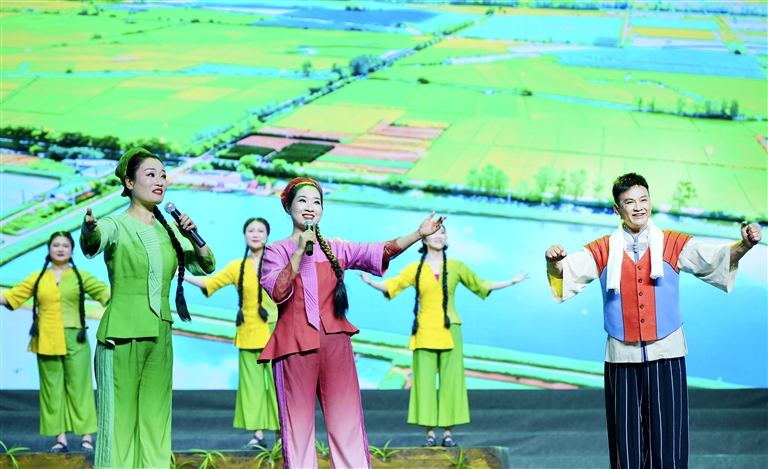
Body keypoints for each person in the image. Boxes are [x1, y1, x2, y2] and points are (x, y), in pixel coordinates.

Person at [544, 172, 762, 469]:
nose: (639, 207)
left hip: (667, 352)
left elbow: (714, 258)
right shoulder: (603, 249)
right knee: (626, 441)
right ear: (617, 209)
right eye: (630, 202)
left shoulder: (673, 243)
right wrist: (554, 262)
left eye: (643, 199)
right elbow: (567, 272)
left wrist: (744, 245)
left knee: (669, 438)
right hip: (622, 355)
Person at [258, 177, 446, 469]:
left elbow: (380, 251)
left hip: (336, 346)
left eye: (317, 202)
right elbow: (278, 292)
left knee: (347, 424)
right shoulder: (276, 251)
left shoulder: (338, 248)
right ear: (288, 207)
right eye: (302, 200)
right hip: (295, 347)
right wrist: (299, 251)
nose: (310, 207)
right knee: (298, 430)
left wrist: (417, 234)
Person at [80, 147, 215, 469]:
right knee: (119, 420)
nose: (160, 181)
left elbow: (206, 265)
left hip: (160, 334)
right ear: (129, 182)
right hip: (121, 333)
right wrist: (88, 230)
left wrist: (191, 235)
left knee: (156, 420)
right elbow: (93, 242)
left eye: (163, 175)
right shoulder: (116, 223)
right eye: (150, 175)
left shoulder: (169, 230)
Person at [360, 225, 528, 447]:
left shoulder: (456, 267)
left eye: (442, 232)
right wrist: (371, 282)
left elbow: (480, 284)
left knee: (452, 382)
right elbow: (392, 285)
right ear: (424, 240)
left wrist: (511, 282)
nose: (439, 236)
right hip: (424, 330)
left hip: (450, 329)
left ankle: (448, 433)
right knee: (424, 382)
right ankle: (430, 434)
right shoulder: (414, 269)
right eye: (434, 233)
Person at [1, 231, 110, 453]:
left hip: (76, 339)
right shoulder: (38, 277)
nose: (60, 249)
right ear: (49, 249)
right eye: (56, 245)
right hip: (46, 339)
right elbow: (10, 297)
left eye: (65, 245)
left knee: (81, 389)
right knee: (52, 391)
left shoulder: (81, 276)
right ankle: (60, 439)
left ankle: (86, 438)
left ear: (72, 250)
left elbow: (107, 295)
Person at [181, 217, 280, 449]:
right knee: (252, 387)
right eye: (251, 230)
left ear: (267, 235)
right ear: (245, 235)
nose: (255, 234)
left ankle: (282, 433)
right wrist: (182, 274)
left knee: (279, 386)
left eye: (260, 230)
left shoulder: (278, 263)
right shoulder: (237, 266)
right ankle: (258, 435)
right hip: (248, 332)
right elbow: (211, 283)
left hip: (275, 333)